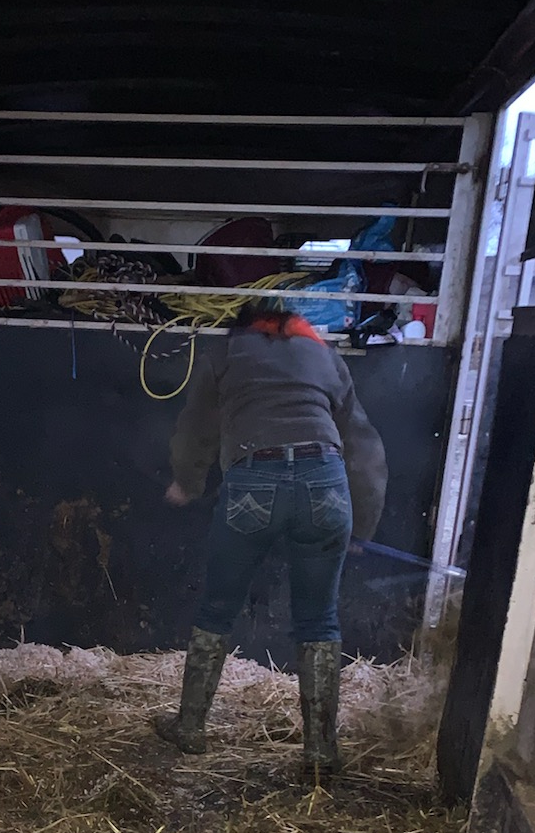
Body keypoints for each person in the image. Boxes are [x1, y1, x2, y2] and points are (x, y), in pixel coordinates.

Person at [155, 299, 387, 778]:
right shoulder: (326, 357)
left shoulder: (226, 353)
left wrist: (187, 483)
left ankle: (190, 728)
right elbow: (363, 445)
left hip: (253, 479)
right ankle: (320, 752)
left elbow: (197, 426)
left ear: (244, 328)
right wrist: (361, 527)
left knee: (218, 608)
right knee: (319, 618)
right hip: (326, 484)